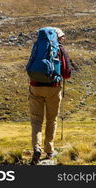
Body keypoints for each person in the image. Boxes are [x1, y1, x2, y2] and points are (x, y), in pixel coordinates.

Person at [28, 27, 72, 165]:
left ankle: (36, 147)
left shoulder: (37, 47)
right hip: (53, 88)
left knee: (36, 120)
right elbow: (67, 73)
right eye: (62, 37)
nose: (63, 39)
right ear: (58, 37)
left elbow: (29, 67)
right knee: (51, 119)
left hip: (35, 87)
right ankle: (49, 150)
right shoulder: (59, 49)